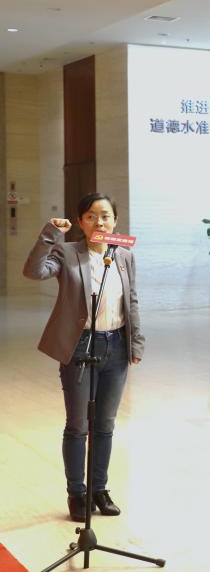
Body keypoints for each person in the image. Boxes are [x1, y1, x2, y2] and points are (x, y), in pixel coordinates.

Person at [23, 193, 144, 522]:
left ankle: (99, 489)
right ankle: (77, 493)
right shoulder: (67, 252)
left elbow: (131, 300)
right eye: (91, 216)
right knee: (78, 425)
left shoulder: (124, 255)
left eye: (105, 216)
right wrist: (50, 233)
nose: (99, 222)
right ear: (80, 222)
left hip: (116, 347)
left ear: (115, 220)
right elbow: (33, 271)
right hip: (80, 346)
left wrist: (135, 343)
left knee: (105, 425)